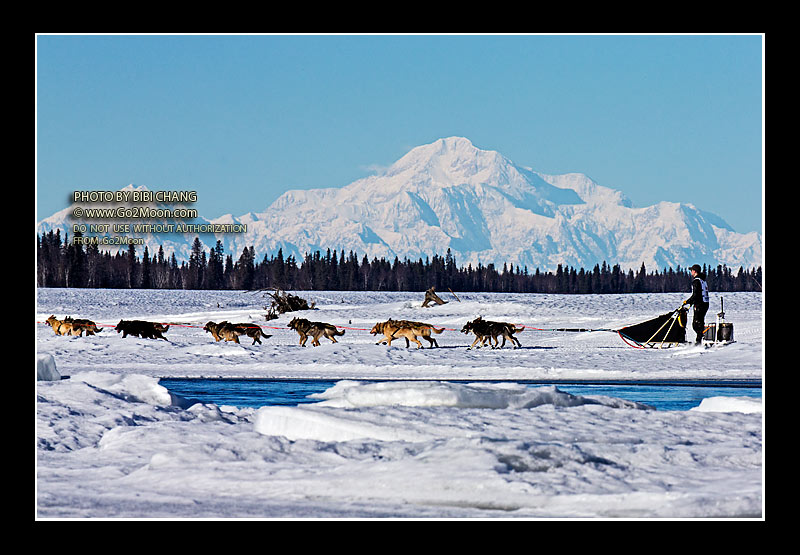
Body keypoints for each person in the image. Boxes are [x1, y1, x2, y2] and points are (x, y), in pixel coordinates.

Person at [683, 264, 709, 344]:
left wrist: (687, 301)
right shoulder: (703, 280)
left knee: (696, 324)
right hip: (705, 304)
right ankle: (700, 339)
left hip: (700, 305)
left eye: (691, 270)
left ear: (695, 271)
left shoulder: (696, 281)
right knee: (700, 322)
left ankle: (699, 341)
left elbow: (695, 295)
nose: (691, 272)